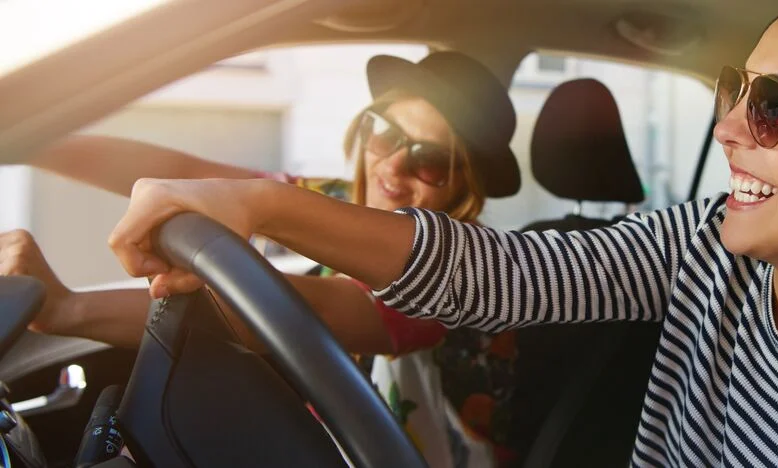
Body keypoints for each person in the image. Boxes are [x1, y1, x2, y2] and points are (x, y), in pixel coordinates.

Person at [71, 0, 778, 465]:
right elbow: (507, 275)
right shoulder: (706, 243)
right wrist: (251, 205)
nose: (725, 128)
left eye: (773, 108)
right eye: (731, 90)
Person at [3, 52, 525, 467]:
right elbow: (188, 175)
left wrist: (69, 307)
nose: (390, 167)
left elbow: (302, 312)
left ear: (464, 186)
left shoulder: (462, 268)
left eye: (429, 161)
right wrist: (36, 140)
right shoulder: (339, 197)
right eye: (385, 132)